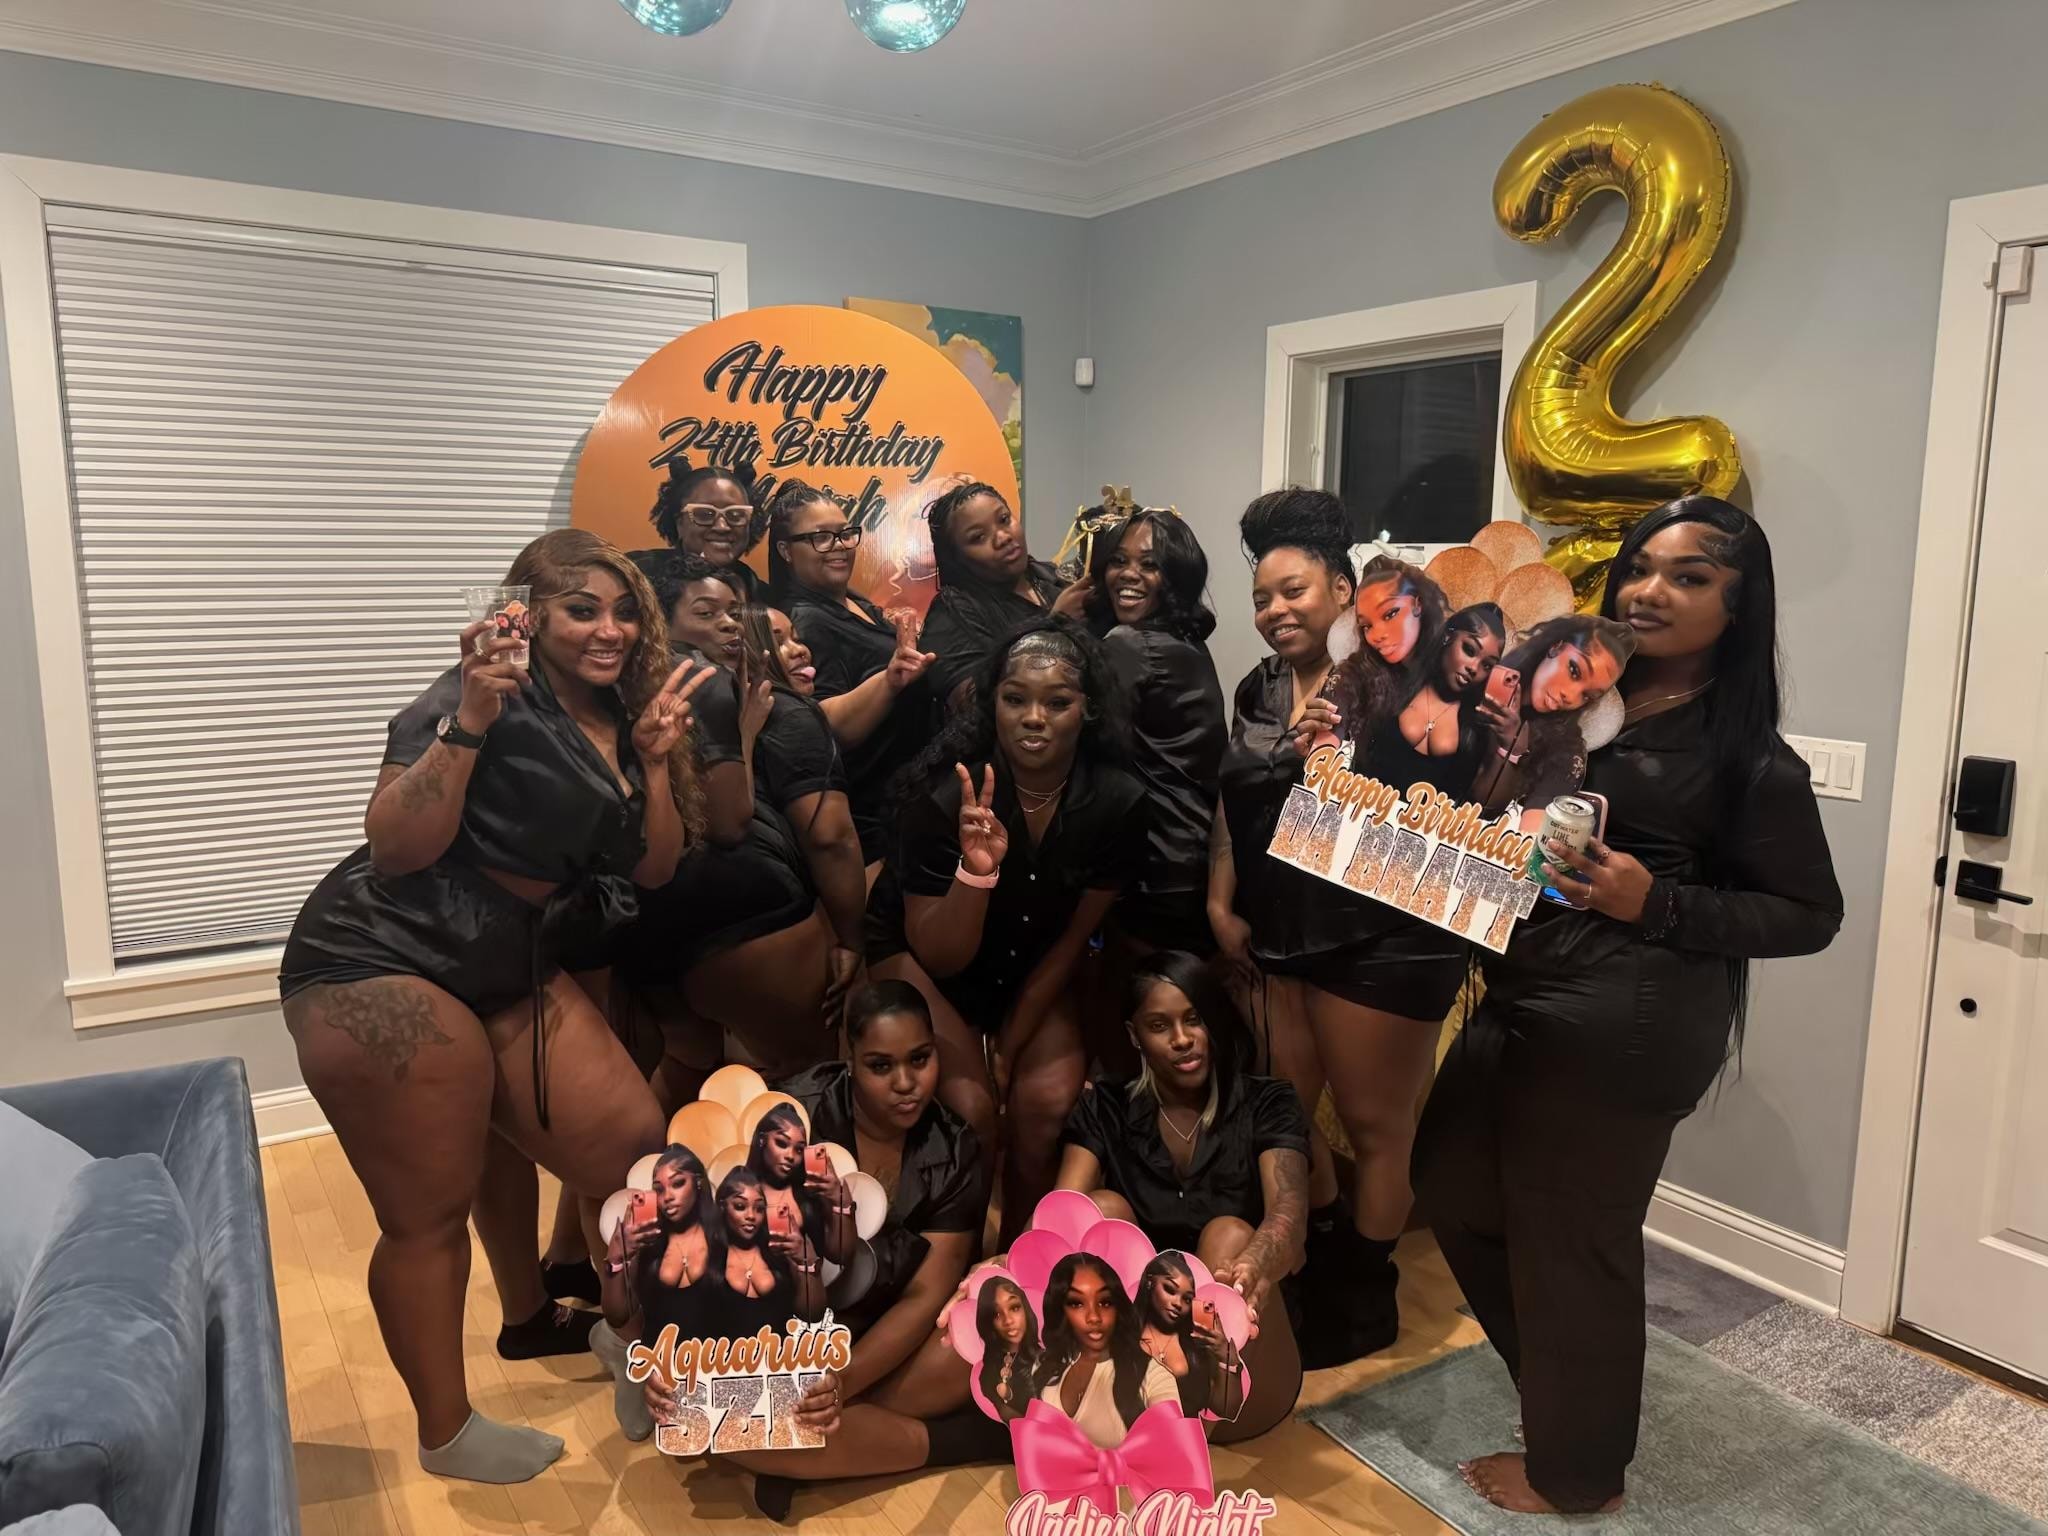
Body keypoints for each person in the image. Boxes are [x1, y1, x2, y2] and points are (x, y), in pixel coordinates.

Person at [1412, 495, 1843, 1514]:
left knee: (1573, 1244)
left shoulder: (1748, 759)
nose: (1651, 590)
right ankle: (1565, 1394)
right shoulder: (1574, 703)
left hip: (1626, 1022)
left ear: (1737, 607)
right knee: (1451, 1184)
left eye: (1690, 577)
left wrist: (1660, 902)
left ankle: (1578, 1474)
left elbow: (1808, 914)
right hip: (1523, 989)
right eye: (1641, 567)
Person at [279, 528, 709, 1485]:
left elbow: (654, 868)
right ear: (531, 614)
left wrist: (653, 765)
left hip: (508, 952)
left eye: (624, 610)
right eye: (581, 610)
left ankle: (625, 1338)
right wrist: (471, 719)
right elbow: (395, 846)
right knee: (428, 1207)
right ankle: (447, 1433)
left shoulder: (624, 713)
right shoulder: (474, 693)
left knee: (633, 1151)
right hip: (379, 951)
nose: (609, 629)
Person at [1211, 488, 1453, 1366]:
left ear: (1344, 592)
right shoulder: (1261, 685)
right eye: (1262, 598)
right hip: (1276, 931)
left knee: (1375, 1123)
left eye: (1294, 591)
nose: (1276, 611)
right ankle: (1314, 1256)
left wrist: (1353, 753)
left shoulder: (1401, 683)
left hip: (1380, 938)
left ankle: (1364, 1290)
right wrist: (1219, 898)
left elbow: (1447, 808)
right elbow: (1233, 798)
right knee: (1285, 1108)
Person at [638, 981, 1008, 1522]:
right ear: (849, 1058)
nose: (906, 1083)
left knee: (982, 1334)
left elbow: (927, 1294)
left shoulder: (955, 1147)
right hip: (779, 1337)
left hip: (890, 1344)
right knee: (696, 1413)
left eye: (920, 1059)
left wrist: (841, 1385)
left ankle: (802, 1450)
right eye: (881, 1066)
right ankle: (859, 1446)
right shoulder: (786, 1117)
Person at [867, 618, 1144, 1242]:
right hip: (923, 958)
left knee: (1045, 1102)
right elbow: (939, 954)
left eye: (1057, 702)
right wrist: (976, 870)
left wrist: (1010, 1048)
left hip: (1033, 960)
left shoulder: (1117, 801)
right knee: (973, 1111)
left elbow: (1075, 939)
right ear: (992, 702)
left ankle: (1022, 1256)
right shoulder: (946, 792)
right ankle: (954, 1262)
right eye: (1015, 698)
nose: (1034, 718)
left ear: (1089, 709)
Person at [615, 560, 853, 1083]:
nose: (728, 624)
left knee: (688, 1067)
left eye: (732, 612)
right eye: (706, 613)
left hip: (642, 924)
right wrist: (743, 735)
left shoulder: (626, 679)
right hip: (737, 914)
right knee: (810, 1075)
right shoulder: (706, 681)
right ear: (660, 620)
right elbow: (729, 823)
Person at [1055, 950, 1306, 1440]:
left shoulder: (1268, 1102)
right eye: (1159, 1025)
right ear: (1135, 1036)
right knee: (1102, 1211)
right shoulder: (1105, 1106)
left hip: (1239, 1376)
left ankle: (1180, 1440)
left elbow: (1289, 1215)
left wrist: (1254, 1263)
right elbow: (1059, 1217)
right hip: (1136, 1361)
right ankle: (1131, 1417)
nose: (1182, 1039)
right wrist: (1000, 1264)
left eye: (1194, 1019)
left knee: (1229, 1235)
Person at [764, 479, 935, 871]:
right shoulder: (804, 620)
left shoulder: (851, 601)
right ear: (786, 551)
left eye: (844, 534)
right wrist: (888, 680)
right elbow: (825, 724)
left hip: (906, 800)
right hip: (872, 814)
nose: (839, 546)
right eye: (821, 538)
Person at [1085, 508, 1227, 958]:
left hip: (1155, 859)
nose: (1129, 574)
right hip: (1194, 855)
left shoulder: (1129, 644)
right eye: (1118, 561)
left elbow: (1089, 746)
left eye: (1150, 564)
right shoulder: (1186, 641)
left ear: (1176, 578)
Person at [917, 482, 1076, 713]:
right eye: (978, 537)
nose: (1003, 537)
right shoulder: (949, 618)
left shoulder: (1053, 578)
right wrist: (1057, 624)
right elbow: (978, 710)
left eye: (1004, 519)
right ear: (956, 557)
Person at [1468, 612, 1637, 827]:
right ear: (1556, 647)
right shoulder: (1471, 673)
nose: (1571, 696)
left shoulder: (1565, 753)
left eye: (1587, 695)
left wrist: (1511, 752)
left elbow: (1530, 837)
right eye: (1574, 671)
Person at [1036, 1253, 1180, 1451]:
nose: (1094, 1317)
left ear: (1118, 1307)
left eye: (1104, 1302)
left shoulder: (1153, 1376)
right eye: (1077, 1303)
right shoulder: (1045, 1366)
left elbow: (1173, 1452)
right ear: (1060, 1309)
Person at [1134, 1251, 1243, 1421]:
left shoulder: (1195, 1345)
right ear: (1149, 1282)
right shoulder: (1121, 1334)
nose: (1178, 1304)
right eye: (1170, 1290)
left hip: (1186, 1436)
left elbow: (1228, 1410)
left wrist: (1227, 1358)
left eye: (1187, 1299)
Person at [745, 1102, 853, 1264]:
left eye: (799, 1149)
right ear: (762, 1140)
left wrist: (840, 1201)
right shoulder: (741, 1190)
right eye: (782, 1143)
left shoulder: (808, 1195)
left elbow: (840, 1255)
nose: (790, 1156)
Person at [642, 456, 765, 599]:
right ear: (679, 523)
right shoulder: (638, 580)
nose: (722, 527)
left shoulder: (764, 597)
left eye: (735, 515)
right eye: (705, 514)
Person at [976, 1276, 1043, 1423]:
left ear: (1025, 1308)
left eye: (1014, 1308)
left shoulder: (1047, 1363)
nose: (1008, 1320)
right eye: (997, 1314)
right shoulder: (988, 1368)